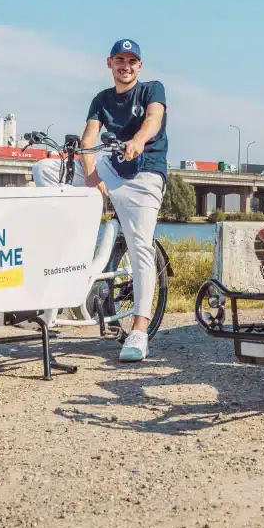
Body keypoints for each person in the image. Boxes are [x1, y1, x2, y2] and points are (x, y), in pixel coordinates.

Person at [32, 38, 168, 363]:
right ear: (110, 63)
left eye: (132, 61)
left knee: (140, 248)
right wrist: (91, 175)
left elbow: (154, 120)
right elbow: (89, 137)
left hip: (143, 173)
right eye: (120, 60)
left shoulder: (152, 89)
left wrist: (137, 140)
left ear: (139, 66)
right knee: (46, 169)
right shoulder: (101, 99)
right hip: (109, 164)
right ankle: (67, 246)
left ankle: (138, 330)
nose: (126, 66)